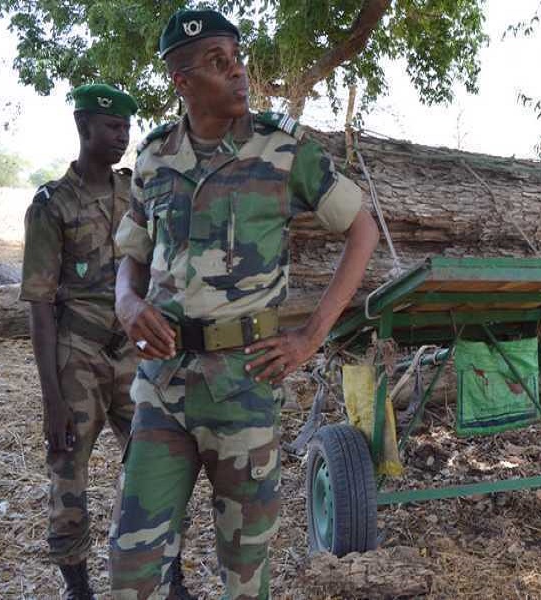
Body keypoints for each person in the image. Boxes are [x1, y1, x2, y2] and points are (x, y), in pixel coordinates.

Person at [108, 8, 379, 598]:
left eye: (237, 58)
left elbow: (362, 231)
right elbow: (132, 254)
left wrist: (310, 338)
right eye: (218, 63)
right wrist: (127, 303)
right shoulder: (154, 157)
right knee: (131, 563)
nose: (238, 72)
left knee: (245, 568)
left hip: (244, 386)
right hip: (162, 386)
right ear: (182, 82)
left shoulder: (282, 151)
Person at [20, 84, 139, 599]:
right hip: (78, 354)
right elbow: (40, 304)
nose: (122, 136)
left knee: (157, 462)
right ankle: (78, 585)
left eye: (126, 128)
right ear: (83, 127)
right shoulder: (53, 205)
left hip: (132, 351)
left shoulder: (133, 194)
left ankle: (162, 568)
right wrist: (52, 400)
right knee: (69, 472)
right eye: (112, 127)